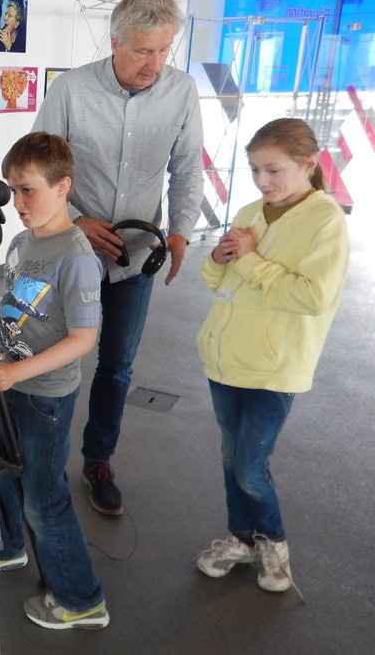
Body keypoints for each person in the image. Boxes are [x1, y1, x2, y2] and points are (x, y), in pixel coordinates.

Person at [32, 0, 204, 516]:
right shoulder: (71, 90)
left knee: (117, 366)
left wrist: (179, 230)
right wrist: (77, 219)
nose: (155, 64)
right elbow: (39, 168)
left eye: (164, 51)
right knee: (50, 360)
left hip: (135, 259)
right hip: (70, 252)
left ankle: (99, 459)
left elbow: (188, 168)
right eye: (143, 52)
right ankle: (41, 462)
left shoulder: (182, 92)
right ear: (115, 43)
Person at [0, 131, 109, 630]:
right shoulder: (21, 242)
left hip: (44, 397)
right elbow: (14, 312)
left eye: (29, 190)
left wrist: (18, 370)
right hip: (9, 383)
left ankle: (81, 600)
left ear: (64, 187)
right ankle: (11, 548)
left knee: (44, 496)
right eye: (14, 190)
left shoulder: (77, 256)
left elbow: (83, 338)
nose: (18, 203)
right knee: (2, 475)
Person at [194, 118, 348, 595]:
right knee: (228, 456)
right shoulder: (250, 209)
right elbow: (218, 279)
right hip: (226, 358)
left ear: (309, 164)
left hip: (275, 367)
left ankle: (273, 544)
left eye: (274, 170)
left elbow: (313, 297)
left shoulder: (326, 220)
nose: (263, 182)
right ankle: (240, 538)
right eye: (255, 170)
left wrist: (249, 259)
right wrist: (219, 260)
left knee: (249, 467)